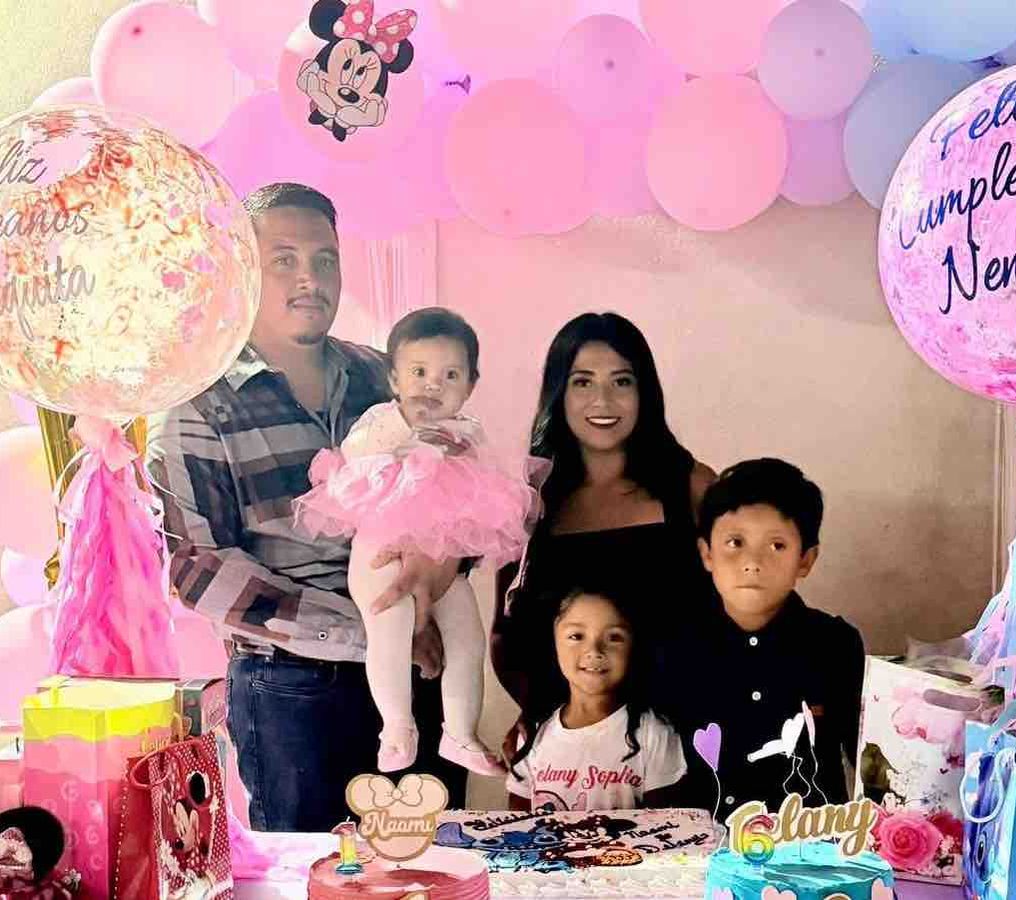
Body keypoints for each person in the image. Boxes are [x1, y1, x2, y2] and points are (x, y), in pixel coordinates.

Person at [146, 183, 466, 831]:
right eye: (284, 260)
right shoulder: (198, 405)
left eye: (325, 260)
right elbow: (197, 569)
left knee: (434, 864)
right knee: (316, 870)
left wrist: (440, 573)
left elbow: (459, 493)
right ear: (243, 271)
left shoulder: (385, 377)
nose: (309, 279)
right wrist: (368, 630)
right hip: (294, 690)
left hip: (418, 663)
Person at [295, 307, 538, 776]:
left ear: (470, 385)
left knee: (467, 635)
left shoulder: (467, 430)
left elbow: (483, 484)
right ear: (395, 379)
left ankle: (460, 732)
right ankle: (396, 726)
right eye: (420, 373)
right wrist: (409, 429)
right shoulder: (383, 420)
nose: (433, 386)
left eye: (451, 376)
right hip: (382, 548)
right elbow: (354, 455)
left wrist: (461, 450)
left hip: (443, 556)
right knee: (390, 622)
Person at [492, 312, 716, 728]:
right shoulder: (528, 500)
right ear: (558, 392)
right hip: (571, 741)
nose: (603, 401)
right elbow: (506, 635)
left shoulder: (693, 487)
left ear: (645, 391)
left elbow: (737, 612)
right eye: (583, 382)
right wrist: (546, 723)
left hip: (687, 733)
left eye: (621, 381)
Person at [661, 458, 866, 817]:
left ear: (805, 560)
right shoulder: (673, 647)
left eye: (776, 546)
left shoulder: (835, 644)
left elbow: (868, 755)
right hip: (701, 844)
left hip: (809, 841)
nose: (752, 562)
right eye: (735, 542)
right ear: (706, 554)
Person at [506, 584, 686, 811]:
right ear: (552, 641)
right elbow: (517, 822)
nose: (594, 650)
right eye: (576, 636)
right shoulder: (531, 733)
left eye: (614, 637)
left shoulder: (653, 732)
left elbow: (665, 824)